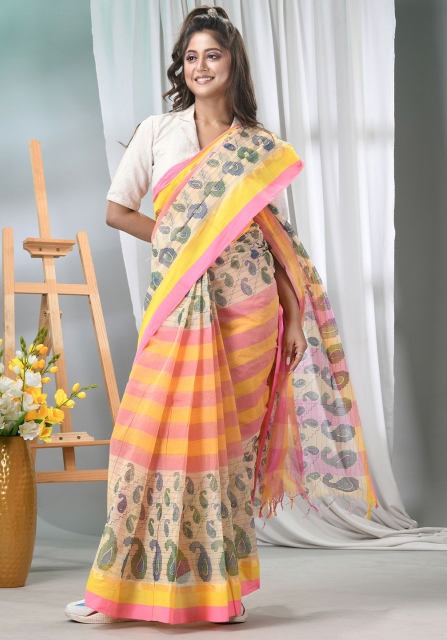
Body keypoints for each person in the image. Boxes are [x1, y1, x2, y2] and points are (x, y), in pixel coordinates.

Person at [65, 4, 378, 626]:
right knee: (148, 439)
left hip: (249, 308)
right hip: (182, 302)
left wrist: (292, 314)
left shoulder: (256, 146)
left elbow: (275, 238)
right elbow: (116, 210)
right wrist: (181, 242)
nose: (201, 66)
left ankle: (218, 590)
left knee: (220, 453)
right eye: (191, 57)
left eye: (212, 54)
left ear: (233, 63)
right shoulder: (158, 132)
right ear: (181, 68)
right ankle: (116, 587)